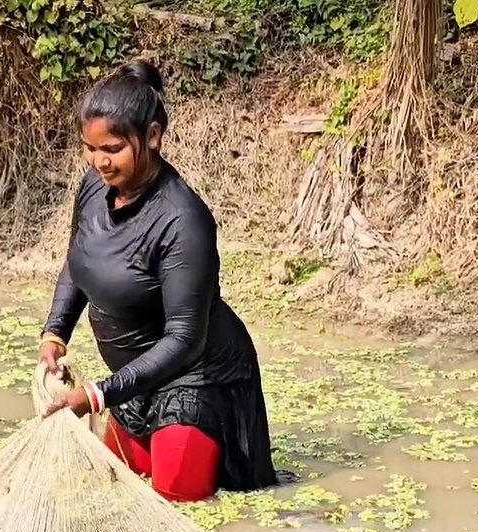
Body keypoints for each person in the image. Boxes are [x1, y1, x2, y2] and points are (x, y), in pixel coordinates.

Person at [37, 59, 292, 503]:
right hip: (133, 380)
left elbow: (185, 338)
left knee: (176, 497)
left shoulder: (182, 219)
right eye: (90, 148)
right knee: (117, 486)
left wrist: (97, 395)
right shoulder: (94, 186)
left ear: (153, 136)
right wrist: (55, 333)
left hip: (194, 377)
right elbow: (79, 261)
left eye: (113, 148)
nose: (99, 161)